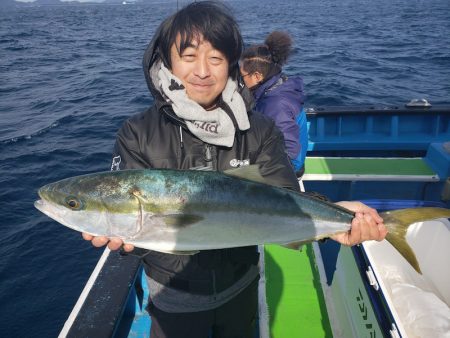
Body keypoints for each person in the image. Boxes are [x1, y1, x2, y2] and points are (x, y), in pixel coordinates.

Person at [82, 2, 387, 337]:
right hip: (172, 296)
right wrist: (126, 238)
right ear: (167, 61)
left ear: (230, 63)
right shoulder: (137, 133)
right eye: (188, 56)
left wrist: (334, 219)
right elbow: (137, 223)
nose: (202, 71)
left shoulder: (259, 129)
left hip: (240, 286)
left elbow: (283, 199)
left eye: (215, 58)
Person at [240, 31, 307, 177]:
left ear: (257, 76)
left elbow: (290, 156)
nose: (239, 79)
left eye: (242, 75)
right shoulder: (275, 87)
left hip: (285, 171)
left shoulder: (276, 105)